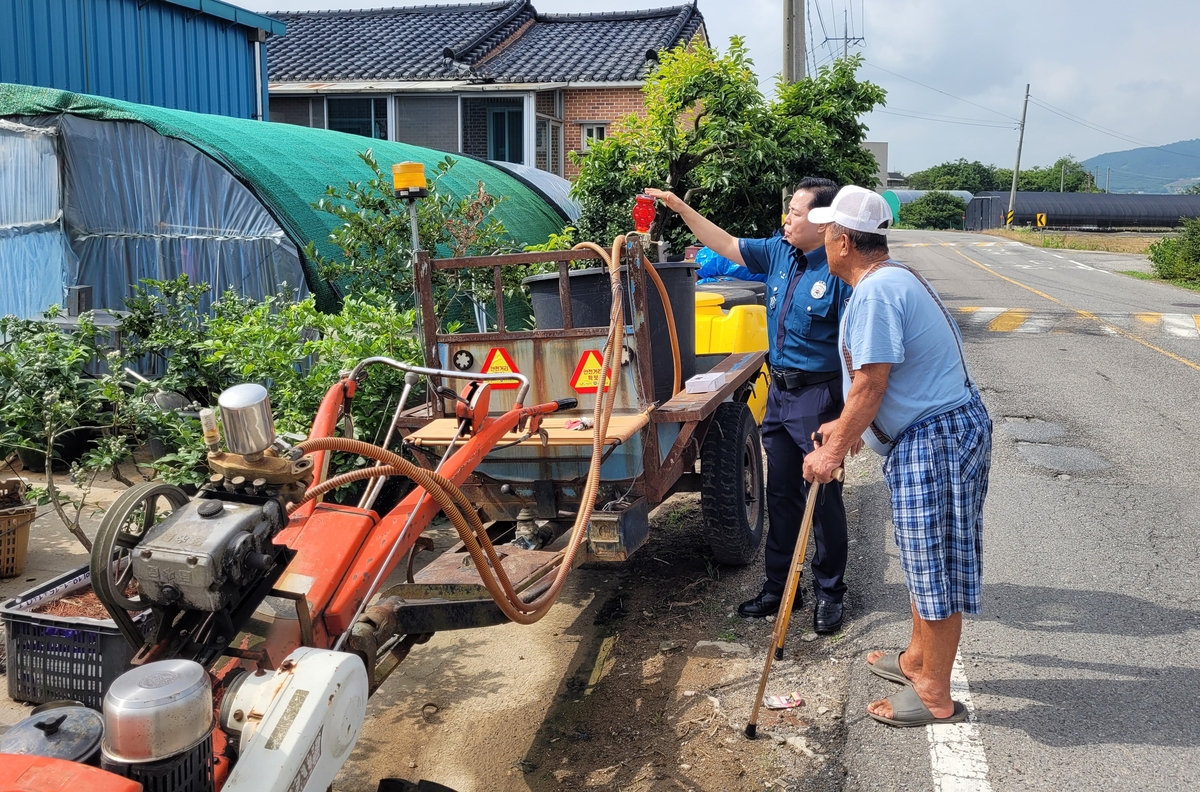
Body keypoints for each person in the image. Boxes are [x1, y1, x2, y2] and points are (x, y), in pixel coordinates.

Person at [802, 185, 993, 727]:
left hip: (935, 439)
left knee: (935, 565)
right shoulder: (890, 278)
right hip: (937, 432)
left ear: (842, 241)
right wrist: (843, 427)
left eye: (826, 231)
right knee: (922, 559)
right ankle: (916, 658)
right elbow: (879, 384)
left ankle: (933, 690)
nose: (822, 239)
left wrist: (833, 450)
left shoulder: (877, 291)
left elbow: (872, 382)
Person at [646, 179, 853, 634]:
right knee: (780, 494)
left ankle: (830, 593)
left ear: (821, 222)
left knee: (823, 498)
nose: (787, 219)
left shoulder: (840, 273)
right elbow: (722, 242)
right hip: (779, 395)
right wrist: (681, 207)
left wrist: (847, 423)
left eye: (795, 213)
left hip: (818, 397)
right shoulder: (778, 252)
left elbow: (856, 352)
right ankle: (781, 589)